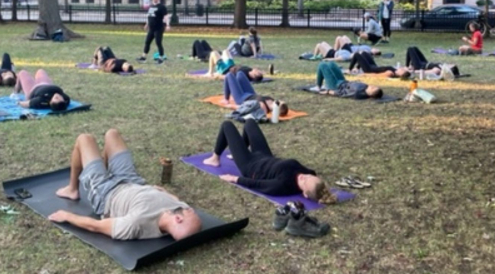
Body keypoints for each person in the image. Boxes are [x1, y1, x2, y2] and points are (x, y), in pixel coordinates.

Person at [49, 129, 202, 240]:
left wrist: (67, 216)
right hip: (132, 181)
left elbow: (95, 226)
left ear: (178, 219)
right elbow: (174, 198)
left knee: (84, 139)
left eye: (191, 211)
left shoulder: (136, 224)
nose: (190, 208)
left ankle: (72, 189)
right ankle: (103, 168)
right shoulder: (178, 209)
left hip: (106, 193)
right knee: (112, 134)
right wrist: (161, 191)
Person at [203, 120, 332, 202]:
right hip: (265, 156)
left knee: (227, 125)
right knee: (250, 123)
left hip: (250, 165)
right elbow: (312, 174)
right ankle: (239, 151)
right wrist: (316, 182)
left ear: (304, 193)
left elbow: (258, 185)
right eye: (309, 176)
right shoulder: (309, 176)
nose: (304, 176)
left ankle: (215, 158)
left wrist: (233, 178)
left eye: (304, 181)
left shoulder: (282, 186)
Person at [223, 71, 288, 116]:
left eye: (278, 103)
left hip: (241, 99)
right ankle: (236, 88)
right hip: (251, 93)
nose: (278, 101)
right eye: (280, 101)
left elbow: (246, 108)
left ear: (275, 110)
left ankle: (226, 99)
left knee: (229, 75)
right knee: (240, 74)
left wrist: (231, 106)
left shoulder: (263, 108)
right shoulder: (272, 100)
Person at [311, 61, 383, 99]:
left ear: (370, 94)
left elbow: (342, 94)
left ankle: (318, 86)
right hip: (343, 81)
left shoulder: (358, 93)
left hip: (336, 86)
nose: (372, 86)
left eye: (373, 88)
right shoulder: (365, 87)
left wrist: (328, 91)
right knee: (331, 64)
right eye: (374, 86)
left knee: (322, 65)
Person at [137, 0, 169, 64]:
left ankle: (161, 58)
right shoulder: (151, 6)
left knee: (158, 42)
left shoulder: (162, 7)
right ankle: (143, 57)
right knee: (147, 42)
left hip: (159, 28)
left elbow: (166, 16)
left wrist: (167, 25)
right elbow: (149, 16)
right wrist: (147, 24)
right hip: (151, 28)